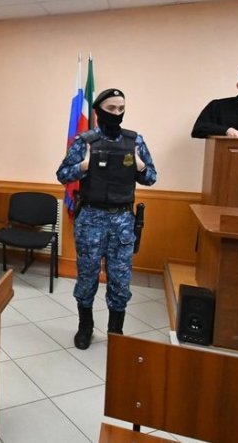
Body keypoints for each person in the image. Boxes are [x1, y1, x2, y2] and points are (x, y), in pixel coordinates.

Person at [56, 88, 157, 350]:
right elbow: (62, 174)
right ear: (98, 110)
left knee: (120, 279)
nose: (117, 113)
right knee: (87, 276)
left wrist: (140, 166)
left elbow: (151, 178)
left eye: (121, 109)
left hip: (122, 220)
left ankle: (116, 331)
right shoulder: (85, 141)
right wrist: (82, 166)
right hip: (91, 218)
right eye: (111, 108)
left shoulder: (134, 141)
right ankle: (85, 327)